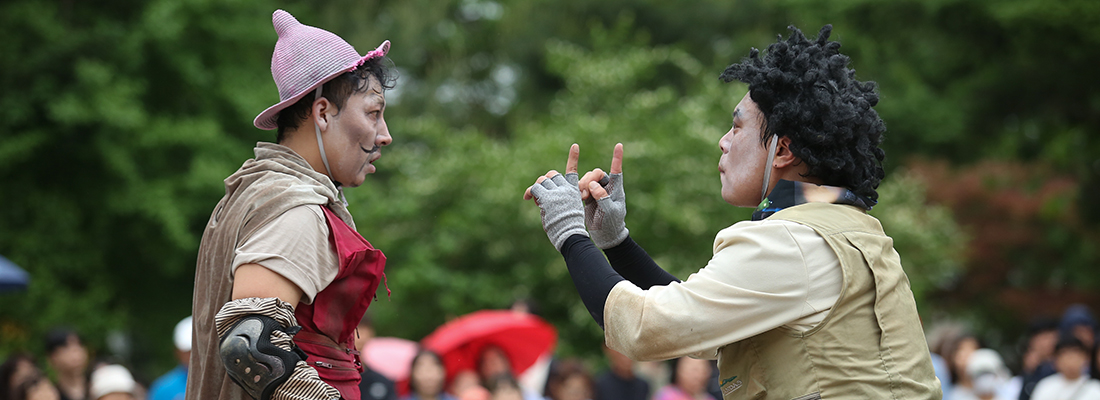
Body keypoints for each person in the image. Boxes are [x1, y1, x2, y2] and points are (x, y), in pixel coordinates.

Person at [523, 25, 940, 399]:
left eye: (737, 126)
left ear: (784, 149)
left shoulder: (789, 241)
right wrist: (616, 242)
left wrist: (569, 232)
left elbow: (644, 328)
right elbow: (693, 322)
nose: (723, 141)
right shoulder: (846, 223)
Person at [186, 9, 395, 400]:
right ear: (322, 113)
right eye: (373, 113)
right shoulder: (293, 208)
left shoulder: (258, 192)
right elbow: (250, 346)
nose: (383, 135)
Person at [1029, 337, 1100, 400]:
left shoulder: (1095, 388)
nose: (1070, 361)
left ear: (1086, 358)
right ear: (1056, 360)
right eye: (1065, 355)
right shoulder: (1045, 386)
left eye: (1074, 355)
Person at [355, 314, 397, 400]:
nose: (359, 336)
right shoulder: (329, 377)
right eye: (355, 330)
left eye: (363, 330)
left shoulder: (382, 382)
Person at [148, 317, 191, 400]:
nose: (193, 357)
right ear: (177, 352)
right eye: (188, 351)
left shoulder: (222, 381)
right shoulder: (163, 389)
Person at [44, 329, 88, 400]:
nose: (76, 351)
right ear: (52, 357)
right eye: (66, 346)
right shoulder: (49, 394)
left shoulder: (99, 385)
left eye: (79, 344)